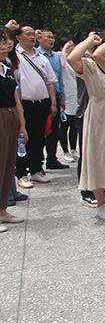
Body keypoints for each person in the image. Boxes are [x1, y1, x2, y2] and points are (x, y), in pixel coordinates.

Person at [67, 32, 105, 221]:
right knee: (97, 156)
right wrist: (89, 40)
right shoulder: (89, 65)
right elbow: (72, 58)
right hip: (98, 113)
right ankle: (100, 203)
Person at [14, 24, 57, 188]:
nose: (32, 37)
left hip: (42, 103)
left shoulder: (41, 58)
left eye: (33, 34)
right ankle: (21, 172)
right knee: (24, 138)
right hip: (25, 103)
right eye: (28, 34)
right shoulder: (16, 56)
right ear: (18, 38)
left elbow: (50, 81)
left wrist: (53, 102)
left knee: (39, 138)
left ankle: (36, 169)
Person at [0, 33, 27, 232]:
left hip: (11, 116)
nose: (3, 47)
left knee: (8, 165)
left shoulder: (7, 69)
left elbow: (15, 97)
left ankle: (2, 210)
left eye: (4, 43)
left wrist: (22, 125)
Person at [36, 29, 69, 170]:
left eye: (52, 37)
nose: (51, 40)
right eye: (47, 37)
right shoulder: (35, 55)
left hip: (56, 96)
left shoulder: (56, 56)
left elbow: (59, 78)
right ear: (39, 38)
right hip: (41, 97)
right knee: (40, 130)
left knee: (54, 129)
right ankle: (37, 162)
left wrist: (62, 97)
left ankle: (52, 158)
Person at [57, 37, 78, 163]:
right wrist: (64, 51)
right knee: (64, 125)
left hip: (75, 95)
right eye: (68, 46)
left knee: (74, 125)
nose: (72, 48)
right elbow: (62, 66)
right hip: (66, 95)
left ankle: (73, 149)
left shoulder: (74, 59)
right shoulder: (60, 57)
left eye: (73, 45)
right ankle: (65, 151)